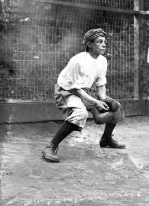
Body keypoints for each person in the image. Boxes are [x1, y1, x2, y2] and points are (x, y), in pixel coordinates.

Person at [42, 28, 125, 163]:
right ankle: (50, 146)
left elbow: (100, 84)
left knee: (116, 107)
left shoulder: (102, 60)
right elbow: (74, 89)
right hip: (66, 92)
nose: (104, 44)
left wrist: (103, 98)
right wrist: (95, 102)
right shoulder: (78, 60)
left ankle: (107, 139)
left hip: (85, 91)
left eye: (104, 41)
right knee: (81, 114)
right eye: (99, 42)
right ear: (89, 44)